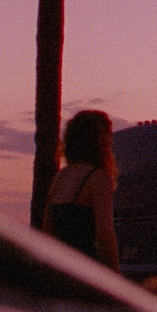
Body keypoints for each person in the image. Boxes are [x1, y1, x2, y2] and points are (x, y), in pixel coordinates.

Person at [42, 109, 119, 271]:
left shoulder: (61, 177)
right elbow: (105, 235)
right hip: (86, 269)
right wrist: (115, 274)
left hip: (61, 269)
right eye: (108, 135)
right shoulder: (99, 178)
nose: (111, 142)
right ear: (98, 140)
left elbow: (47, 232)